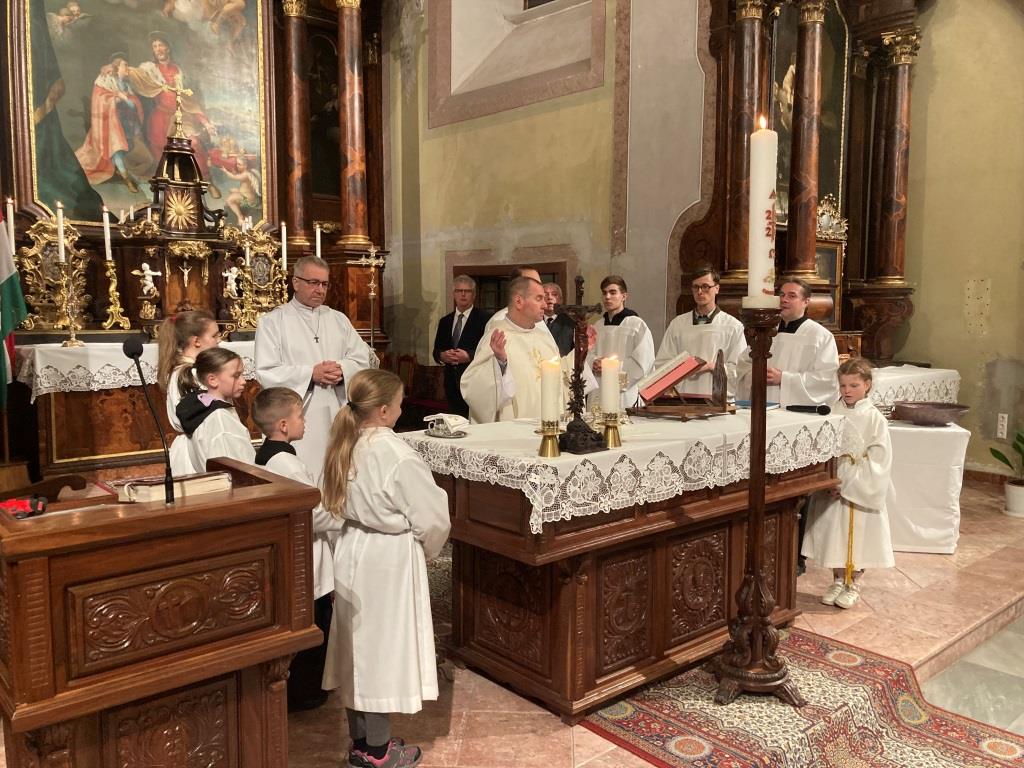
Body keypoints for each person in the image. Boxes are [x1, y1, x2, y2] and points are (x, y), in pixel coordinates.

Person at [321, 369, 450, 768]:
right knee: (381, 652)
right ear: (382, 410)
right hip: (387, 557)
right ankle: (378, 751)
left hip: (351, 548)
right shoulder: (397, 454)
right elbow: (432, 519)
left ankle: (361, 742)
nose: (401, 407)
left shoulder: (344, 442)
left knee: (355, 651)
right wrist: (427, 551)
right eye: (399, 402)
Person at [252, 387, 335, 711]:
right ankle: (308, 691)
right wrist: (344, 514)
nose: (305, 421)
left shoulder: (266, 454)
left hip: (291, 553)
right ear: (283, 425)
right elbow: (312, 513)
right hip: (306, 556)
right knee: (315, 621)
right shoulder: (288, 465)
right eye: (300, 416)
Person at [255, 255, 371, 483]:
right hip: (299, 414)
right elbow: (266, 370)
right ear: (296, 282)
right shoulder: (272, 322)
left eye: (325, 284)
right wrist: (311, 374)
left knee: (338, 473)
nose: (320, 289)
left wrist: (342, 370)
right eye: (313, 282)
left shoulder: (338, 319)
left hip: (337, 408)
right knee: (306, 476)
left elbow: (361, 358)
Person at [801, 358, 895, 609]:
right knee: (834, 536)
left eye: (854, 385)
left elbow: (880, 459)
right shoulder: (833, 411)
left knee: (859, 537)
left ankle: (853, 583)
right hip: (833, 485)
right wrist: (826, 480)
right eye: (843, 385)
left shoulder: (875, 418)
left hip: (858, 485)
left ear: (867, 385)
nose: (847, 391)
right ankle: (837, 579)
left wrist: (846, 483)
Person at [460, 276, 565, 424]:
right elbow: (473, 389)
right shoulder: (497, 336)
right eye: (539, 298)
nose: (544, 304)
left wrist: (581, 352)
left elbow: (562, 381)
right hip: (514, 430)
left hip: (549, 427)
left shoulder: (545, 338)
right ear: (518, 301)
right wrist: (501, 363)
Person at [128, 33, 218, 187]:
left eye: (161, 45)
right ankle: (169, 183)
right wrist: (117, 68)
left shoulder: (179, 72)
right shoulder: (150, 70)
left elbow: (191, 102)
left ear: (168, 48)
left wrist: (206, 123)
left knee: (193, 143)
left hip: (181, 116)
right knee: (158, 145)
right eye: (155, 46)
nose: (158, 49)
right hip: (159, 116)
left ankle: (205, 181)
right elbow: (133, 74)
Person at [736, 278, 839, 406]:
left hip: (797, 411)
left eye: (792, 296)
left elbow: (827, 380)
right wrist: (756, 373)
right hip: (762, 406)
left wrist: (783, 378)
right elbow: (743, 364)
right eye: (782, 295)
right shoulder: (766, 331)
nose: (784, 300)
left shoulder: (820, 336)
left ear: (806, 302)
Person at [654, 267, 746, 398]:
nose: (700, 292)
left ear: (717, 288)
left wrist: (712, 366)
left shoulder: (732, 326)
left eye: (705, 287)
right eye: (696, 287)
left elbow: (740, 369)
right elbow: (663, 364)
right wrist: (684, 368)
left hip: (717, 399)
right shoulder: (678, 324)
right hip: (683, 398)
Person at [157, 310, 222, 476]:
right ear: (196, 341)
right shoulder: (190, 374)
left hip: (195, 445)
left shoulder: (183, 370)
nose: (219, 340)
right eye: (214, 336)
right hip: (198, 449)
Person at [175, 347, 255, 473]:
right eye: (236, 376)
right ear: (212, 380)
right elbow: (233, 468)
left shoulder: (200, 405)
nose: (243, 381)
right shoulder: (220, 419)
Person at [75, 54, 147, 192]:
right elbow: (100, 100)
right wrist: (117, 99)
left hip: (125, 123)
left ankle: (120, 171)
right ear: (117, 68)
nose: (128, 68)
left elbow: (133, 105)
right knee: (117, 149)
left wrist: (125, 99)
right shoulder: (106, 82)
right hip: (110, 124)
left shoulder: (126, 85)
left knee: (125, 148)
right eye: (125, 65)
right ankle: (126, 179)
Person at [590, 275, 654, 409]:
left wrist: (611, 367)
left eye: (613, 292)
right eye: (604, 293)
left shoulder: (637, 325)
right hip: (599, 390)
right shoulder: (597, 326)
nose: (607, 297)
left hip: (625, 394)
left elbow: (643, 362)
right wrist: (594, 362)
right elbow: (588, 354)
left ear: (624, 296)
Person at [431, 275, 491, 417]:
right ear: (454, 294)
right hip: (451, 383)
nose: (463, 294)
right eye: (459, 291)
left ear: (474, 295)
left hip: (475, 381)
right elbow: (436, 350)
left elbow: (489, 350)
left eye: (467, 291)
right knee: (455, 422)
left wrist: (469, 356)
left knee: (474, 422)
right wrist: (442, 356)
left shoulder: (485, 319)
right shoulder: (445, 321)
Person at [543, 282, 576, 357]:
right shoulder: (533, 322)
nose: (549, 297)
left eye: (554, 294)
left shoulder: (571, 323)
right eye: (545, 294)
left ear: (561, 300)